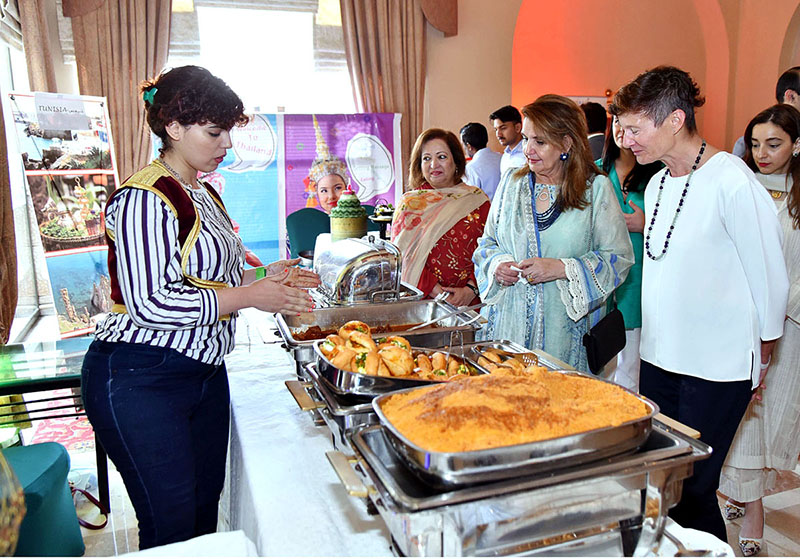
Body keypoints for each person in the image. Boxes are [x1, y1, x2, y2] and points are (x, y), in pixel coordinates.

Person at [80, 66, 320, 549]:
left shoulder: (203, 192)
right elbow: (152, 301)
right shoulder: (144, 198)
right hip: (142, 375)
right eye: (214, 131)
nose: (226, 143)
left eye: (227, 130)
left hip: (204, 372)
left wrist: (267, 275)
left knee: (202, 511)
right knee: (170, 524)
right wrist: (250, 296)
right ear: (173, 128)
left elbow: (221, 278)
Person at [610, 65, 789, 542]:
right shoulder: (658, 183)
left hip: (718, 365)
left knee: (695, 487)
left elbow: (770, 275)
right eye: (621, 128)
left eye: (633, 128)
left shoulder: (732, 180)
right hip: (661, 356)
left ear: (673, 120)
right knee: (665, 482)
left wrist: (764, 352)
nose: (625, 140)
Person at [473, 94, 633, 371]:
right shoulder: (512, 183)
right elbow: (487, 243)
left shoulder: (595, 190)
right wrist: (498, 265)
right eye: (525, 138)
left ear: (566, 144)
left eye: (540, 141)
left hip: (564, 340)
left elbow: (618, 259)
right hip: (507, 332)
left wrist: (562, 269)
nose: (527, 150)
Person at [719, 104, 800, 557]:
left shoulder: (798, 193)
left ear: (796, 145)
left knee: (774, 424)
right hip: (739, 326)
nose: (762, 154)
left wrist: (777, 305)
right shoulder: (739, 187)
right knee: (744, 418)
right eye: (754, 144)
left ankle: (741, 492)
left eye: (774, 144)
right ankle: (753, 512)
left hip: (789, 326)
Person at [597, 116, 661, 391]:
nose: (623, 133)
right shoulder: (596, 172)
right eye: (618, 125)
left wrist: (645, 224)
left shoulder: (659, 175)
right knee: (600, 366)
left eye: (632, 127)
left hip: (642, 277)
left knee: (631, 370)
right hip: (602, 277)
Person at [391, 128, 490, 307]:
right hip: (424, 301)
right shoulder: (411, 204)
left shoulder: (477, 200)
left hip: (470, 302)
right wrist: (436, 291)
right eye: (426, 158)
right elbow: (402, 256)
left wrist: (471, 289)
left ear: (456, 161)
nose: (433, 165)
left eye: (442, 157)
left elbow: (490, 248)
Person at [733, 66, 800, 157]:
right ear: (791, 96)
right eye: (773, 145)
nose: (761, 154)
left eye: (773, 145)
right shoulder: (745, 144)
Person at [460, 122, 502, 200]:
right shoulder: (501, 158)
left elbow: (470, 199)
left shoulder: (471, 168)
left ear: (469, 146)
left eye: (463, 144)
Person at [489, 105, 526, 176]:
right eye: (496, 129)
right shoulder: (505, 156)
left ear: (517, 127)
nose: (498, 134)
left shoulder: (529, 154)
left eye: (503, 128)